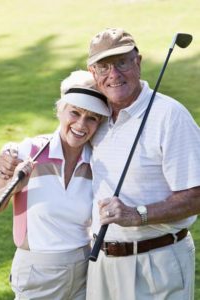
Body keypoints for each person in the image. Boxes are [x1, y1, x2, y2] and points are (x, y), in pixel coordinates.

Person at [85, 28, 200, 300]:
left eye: (122, 62)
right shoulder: (96, 116)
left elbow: (196, 196)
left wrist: (137, 215)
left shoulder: (169, 116)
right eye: (103, 67)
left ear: (138, 61)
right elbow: (67, 133)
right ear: (93, 73)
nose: (113, 74)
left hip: (155, 263)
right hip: (101, 262)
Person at [0, 70, 110, 300]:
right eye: (75, 113)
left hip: (85, 270)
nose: (81, 124)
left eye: (92, 117)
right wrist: (14, 185)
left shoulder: (98, 162)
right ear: (60, 110)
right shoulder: (27, 151)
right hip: (37, 274)